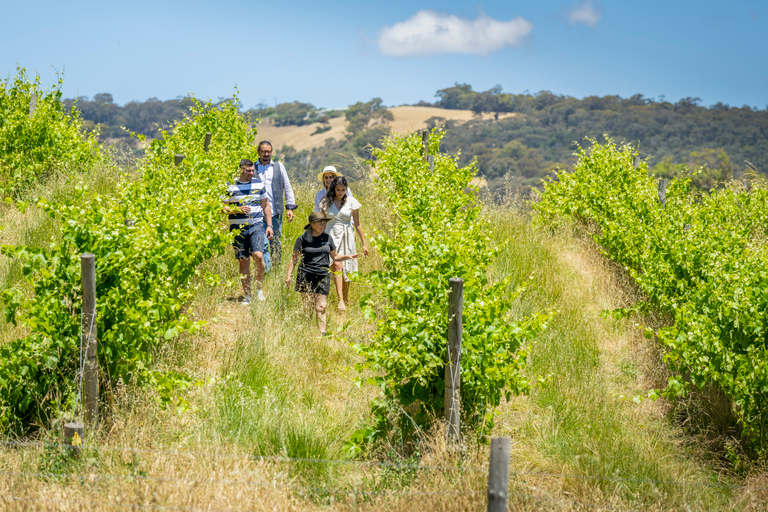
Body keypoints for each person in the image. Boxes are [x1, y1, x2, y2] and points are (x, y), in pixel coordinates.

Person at [284, 212, 360, 335]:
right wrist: (288, 276)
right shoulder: (302, 239)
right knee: (308, 307)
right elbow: (294, 258)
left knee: (321, 307)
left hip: (322, 276)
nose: (323, 225)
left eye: (324, 223)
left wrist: (348, 256)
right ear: (312, 225)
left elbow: (335, 256)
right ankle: (307, 333)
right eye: (320, 223)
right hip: (306, 274)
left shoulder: (327, 238)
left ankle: (322, 334)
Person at [221, 159, 274, 304]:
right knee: (243, 261)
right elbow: (221, 208)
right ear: (240, 170)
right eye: (248, 171)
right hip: (237, 229)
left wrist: (269, 225)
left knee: (258, 255)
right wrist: (236, 209)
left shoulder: (258, 184)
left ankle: (259, 289)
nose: (251, 173)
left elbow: (266, 205)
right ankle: (248, 296)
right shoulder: (229, 185)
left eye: (252, 171)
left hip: (256, 225)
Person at [320, 176, 369, 312]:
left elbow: (358, 224)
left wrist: (364, 244)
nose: (340, 192)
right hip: (331, 236)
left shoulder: (352, 202)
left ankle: (345, 300)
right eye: (338, 190)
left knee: (347, 268)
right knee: (336, 265)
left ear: (346, 189)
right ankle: (340, 300)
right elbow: (322, 223)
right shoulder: (325, 203)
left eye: (343, 190)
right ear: (333, 189)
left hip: (348, 236)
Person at [255, 140, 297, 271]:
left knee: (275, 243)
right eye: (263, 151)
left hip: (275, 212)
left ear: (271, 152)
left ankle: (276, 269)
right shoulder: (253, 168)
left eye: (268, 151)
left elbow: (287, 187)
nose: (266, 154)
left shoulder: (278, 166)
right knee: (263, 244)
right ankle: (266, 271)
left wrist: (290, 207)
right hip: (258, 213)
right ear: (258, 152)